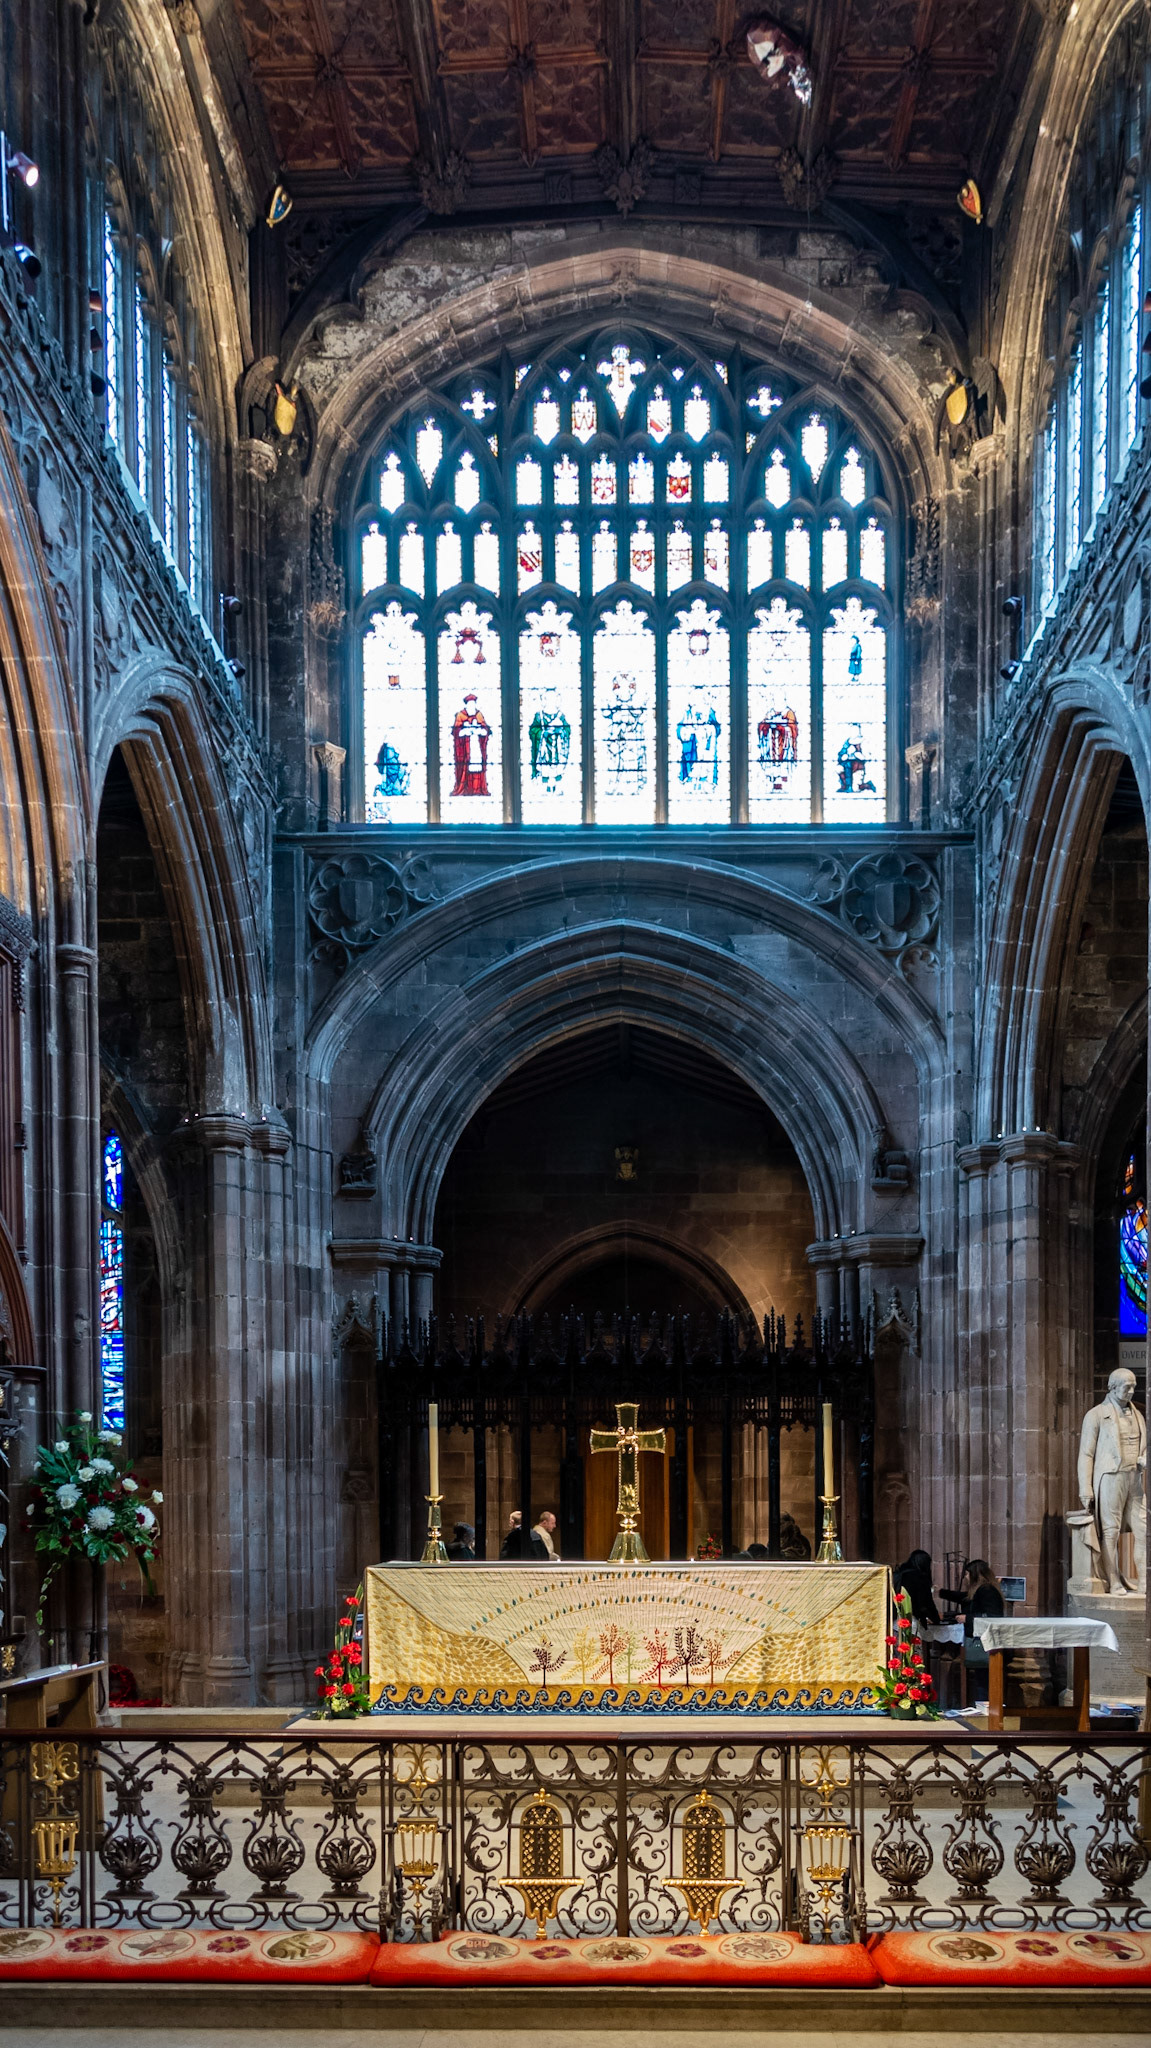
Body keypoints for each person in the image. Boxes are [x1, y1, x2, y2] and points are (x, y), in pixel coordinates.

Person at [1077, 1366, 1147, 1592]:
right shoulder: (1096, 1414)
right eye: (1127, 1387)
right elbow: (1086, 1454)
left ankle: (1145, 1583)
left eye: (1134, 1387)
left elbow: (1144, 1444)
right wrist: (1085, 1488)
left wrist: (1144, 1458)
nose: (1131, 1392)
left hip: (1134, 1478)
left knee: (1143, 1529)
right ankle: (1114, 1580)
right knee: (1111, 1531)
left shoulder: (1138, 1413)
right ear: (1113, 1387)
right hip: (1110, 1477)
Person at [960, 1558, 1004, 1704]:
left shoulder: (987, 1590)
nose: (966, 1577)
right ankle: (983, 1705)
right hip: (983, 1637)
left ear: (974, 1574)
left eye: (967, 1574)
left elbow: (993, 1616)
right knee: (981, 1676)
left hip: (987, 1639)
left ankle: (986, 1707)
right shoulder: (983, 1589)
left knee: (984, 1677)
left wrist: (967, 1618)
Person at [893, 1549, 940, 1627]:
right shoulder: (920, 1577)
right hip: (912, 1617)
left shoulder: (899, 1574)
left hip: (896, 1617)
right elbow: (926, 1602)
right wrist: (935, 1618)